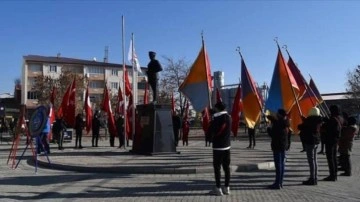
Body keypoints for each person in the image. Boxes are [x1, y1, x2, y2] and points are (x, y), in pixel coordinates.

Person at [208, 101, 232, 196]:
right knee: (227, 168)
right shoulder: (229, 118)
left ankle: (218, 188)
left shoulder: (217, 118)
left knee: (217, 168)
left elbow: (211, 131)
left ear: (217, 108)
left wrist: (211, 120)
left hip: (218, 147)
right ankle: (226, 187)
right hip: (227, 146)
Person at [298, 107, 323, 185]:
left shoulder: (309, 120)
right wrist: (305, 120)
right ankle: (315, 177)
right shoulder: (319, 120)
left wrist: (304, 121)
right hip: (316, 141)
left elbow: (300, 127)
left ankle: (312, 178)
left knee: (311, 161)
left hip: (310, 141)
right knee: (314, 160)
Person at [266, 109, 290, 189]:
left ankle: (277, 183)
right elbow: (275, 120)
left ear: (280, 115)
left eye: (277, 113)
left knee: (278, 165)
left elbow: (273, 134)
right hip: (283, 145)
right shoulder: (285, 122)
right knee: (282, 165)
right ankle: (280, 182)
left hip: (277, 146)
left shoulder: (278, 124)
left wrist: (268, 128)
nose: (276, 114)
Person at [323, 105, 344, 181]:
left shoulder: (333, 119)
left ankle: (332, 175)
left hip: (330, 140)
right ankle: (334, 174)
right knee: (334, 157)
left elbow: (329, 129)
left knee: (330, 158)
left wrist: (326, 122)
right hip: (336, 140)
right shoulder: (340, 118)